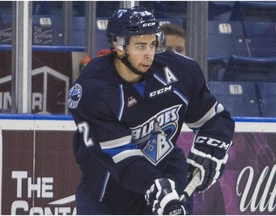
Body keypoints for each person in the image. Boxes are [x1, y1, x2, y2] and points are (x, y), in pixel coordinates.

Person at [68, 6, 234, 215]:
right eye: (140, 46)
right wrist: (156, 186)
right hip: (107, 194)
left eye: (152, 44)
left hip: (168, 175)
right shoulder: (93, 90)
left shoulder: (180, 72)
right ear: (118, 46)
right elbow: (123, 159)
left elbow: (215, 119)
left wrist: (212, 146)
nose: (149, 54)